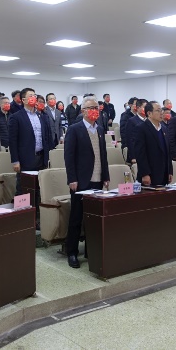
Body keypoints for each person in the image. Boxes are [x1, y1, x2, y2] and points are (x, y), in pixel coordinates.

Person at [63, 96, 109, 269]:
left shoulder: (100, 129)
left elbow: (103, 155)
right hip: (81, 181)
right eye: (91, 108)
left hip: (97, 179)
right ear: (83, 111)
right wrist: (72, 179)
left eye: (96, 107)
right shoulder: (74, 129)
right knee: (76, 217)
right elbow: (69, 156)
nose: (94, 110)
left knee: (94, 218)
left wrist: (106, 176)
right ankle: (72, 252)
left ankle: (91, 250)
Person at [9, 88, 52, 195]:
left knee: (39, 189)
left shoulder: (41, 116)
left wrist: (48, 157)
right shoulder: (16, 117)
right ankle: (21, 206)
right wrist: (15, 160)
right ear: (23, 100)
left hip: (41, 157)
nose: (34, 98)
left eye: (34, 95)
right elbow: (13, 141)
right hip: (26, 158)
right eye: (30, 96)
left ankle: (36, 206)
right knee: (24, 188)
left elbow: (46, 137)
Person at [134, 101, 172, 186]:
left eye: (161, 110)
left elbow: (168, 152)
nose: (161, 113)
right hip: (150, 175)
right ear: (149, 113)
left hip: (164, 174)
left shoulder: (164, 129)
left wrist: (170, 171)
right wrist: (145, 174)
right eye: (158, 110)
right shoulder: (141, 128)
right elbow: (140, 154)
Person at [126, 98, 148, 163]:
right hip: (137, 154)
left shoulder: (149, 121)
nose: (146, 109)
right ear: (138, 108)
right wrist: (133, 157)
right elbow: (130, 140)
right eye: (144, 107)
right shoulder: (132, 121)